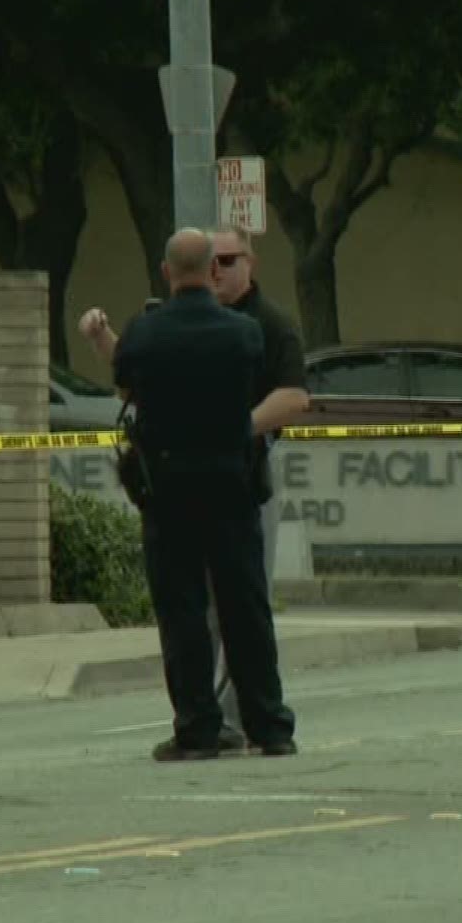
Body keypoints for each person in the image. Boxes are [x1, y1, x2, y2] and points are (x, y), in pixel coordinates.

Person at [81, 226, 309, 746]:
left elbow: (127, 380)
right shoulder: (244, 333)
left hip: (167, 490)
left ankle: (197, 727)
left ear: (166, 272)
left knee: (181, 611)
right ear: (210, 272)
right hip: (231, 485)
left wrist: (104, 340)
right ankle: (269, 725)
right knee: (244, 609)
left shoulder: (144, 331)